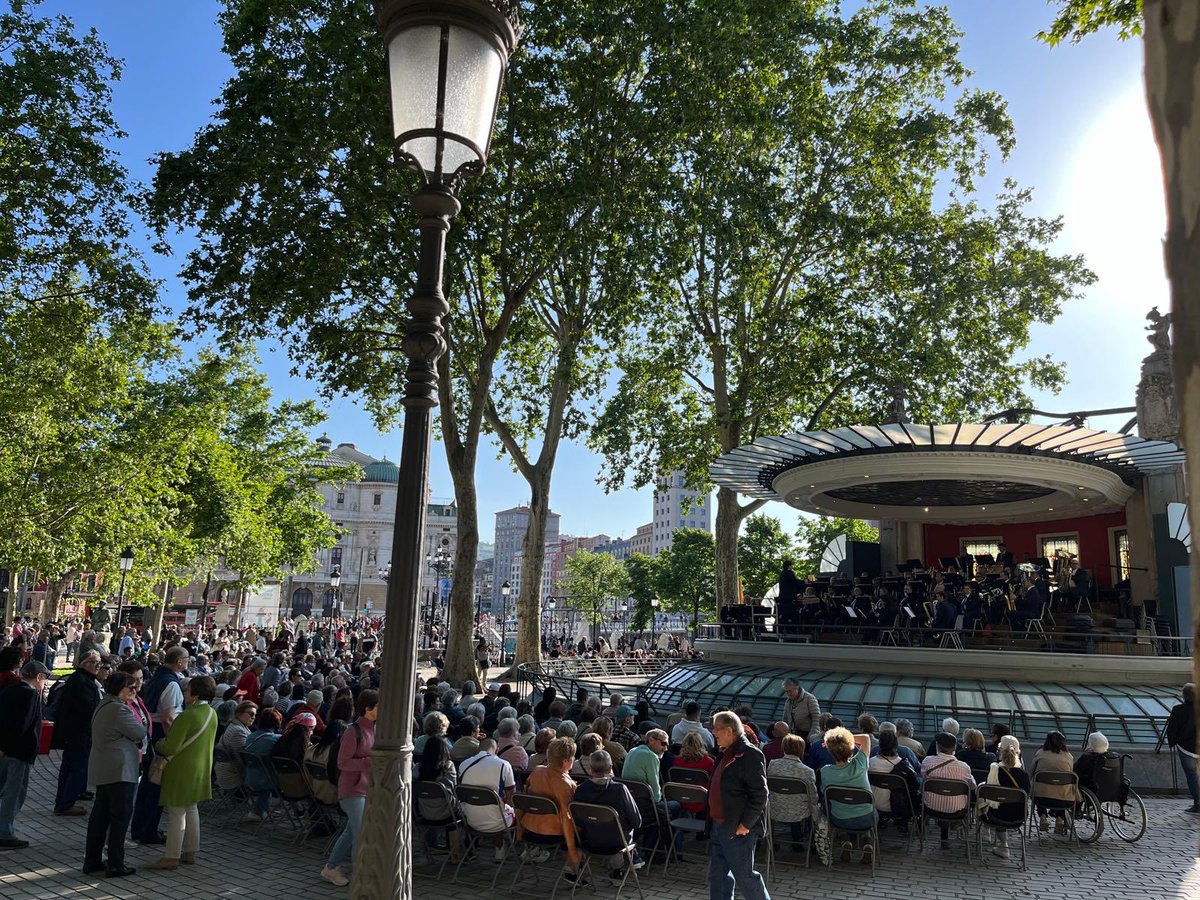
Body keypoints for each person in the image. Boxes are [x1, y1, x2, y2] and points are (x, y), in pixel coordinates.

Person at [147, 675, 218, 870]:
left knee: (176, 812)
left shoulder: (188, 715)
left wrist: (159, 743)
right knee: (191, 809)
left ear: (195, 694)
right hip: (200, 767)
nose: (185, 693)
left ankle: (171, 856)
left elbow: (170, 746)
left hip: (181, 768)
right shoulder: (211, 713)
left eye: (188, 690)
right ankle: (189, 852)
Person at [83, 671, 146, 877]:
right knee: (120, 817)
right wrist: (142, 725)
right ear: (121, 689)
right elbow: (139, 732)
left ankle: (92, 860)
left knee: (100, 817)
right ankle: (115, 863)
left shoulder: (104, 704)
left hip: (104, 768)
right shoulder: (120, 710)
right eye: (131, 687)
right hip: (119, 770)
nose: (134, 691)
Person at [130, 645, 190, 845]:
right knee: (155, 785)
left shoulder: (156, 678)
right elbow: (168, 718)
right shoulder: (171, 684)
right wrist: (172, 743)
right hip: (159, 736)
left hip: (151, 732)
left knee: (147, 784)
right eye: (186, 659)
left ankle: (140, 828)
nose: (188, 662)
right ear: (179, 661)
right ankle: (148, 830)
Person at [707, 711, 769, 900]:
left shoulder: (749, 754)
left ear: (728, 730)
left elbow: (760, 794)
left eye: (716, 729)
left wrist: (746, 824)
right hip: (719, 824)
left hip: (737, 828)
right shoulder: (725, 752)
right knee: (717, 877)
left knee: (745, 878)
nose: (713, 733)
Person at [321, 689, 378, 886]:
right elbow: (342, 763)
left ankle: (331, 867)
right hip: (351, 790)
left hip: (364, 788)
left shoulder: (374, 729)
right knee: (360, 832)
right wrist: (368, 762)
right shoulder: (352, 731)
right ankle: (360, 876)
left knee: (352, 831)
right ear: (368, 709)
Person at [0, 660, 50, 849]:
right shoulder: (30, 695)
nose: (45, 683)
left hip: (7, 750)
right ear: (38, 677)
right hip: (19, 752)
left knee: (5, 788)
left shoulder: (10, 690)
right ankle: (4, 832)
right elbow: (21, 726)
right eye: (45, 678)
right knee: (15, 793)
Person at [51, 649, 102, 816]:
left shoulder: (82, 679)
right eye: (95, 663)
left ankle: (65, 800)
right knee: (75, 768)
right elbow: (87, 708)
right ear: (84, 663)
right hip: (78, 733)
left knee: (71, 767)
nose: (98, 666)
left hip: (76, 733)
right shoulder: (82, 681)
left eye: (99, 663)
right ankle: (66, 803)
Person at [518, 737, 581, 874]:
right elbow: (566, 819)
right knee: (584, 830)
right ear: (566, 761)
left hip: (529, 830)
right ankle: (572, 870)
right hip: (552, 834)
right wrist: (572, 851)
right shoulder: (565, 785)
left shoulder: (536, 771)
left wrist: (519, 829)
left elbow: (523, 800)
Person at [820, 726, 877, 864]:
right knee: (866, 810)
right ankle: (867, 842)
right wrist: (843, 738)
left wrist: (833, 742)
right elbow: (866, 738)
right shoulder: (861, 764)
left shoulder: (825, 771)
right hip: (866, 818)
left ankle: (846, 840)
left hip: (840, 819)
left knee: (833, 809)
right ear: (850, 747)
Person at [919, 732, 976, 849]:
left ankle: (940, 836)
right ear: (955, 747)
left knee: (939, 795)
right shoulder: (964, 767)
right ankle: (952, 830)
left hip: (931, 807)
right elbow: (973, 787)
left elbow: (923, 777)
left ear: (937, 746)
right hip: (957, 810)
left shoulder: (927, 761)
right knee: (950, 798)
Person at [980, 735, 1031, 860]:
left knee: (983, 792)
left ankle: (995, 838)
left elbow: (989, 796)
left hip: (996, 816)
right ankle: (1003, 845)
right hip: (1019, 816)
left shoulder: (995, 770)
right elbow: (1027, 795)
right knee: (1006, 805)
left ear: (999, 751)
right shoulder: (1023, 774)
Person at [766, 733, 815, 850]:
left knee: (789, 800)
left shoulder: (772, 765)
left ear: (784, 748)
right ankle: (800, 842)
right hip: (799, 812)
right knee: (803, 805)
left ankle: (771, 841)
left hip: (774, 808)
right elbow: (813, 797)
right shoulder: (807, 771)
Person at [868, 729, 918, 833]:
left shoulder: (870, 763)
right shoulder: (904, 765)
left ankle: (882, 819)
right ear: (896, 744)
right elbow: (915, 785)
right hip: (898, 806)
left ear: (880, 744)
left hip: (874, 804)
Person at [1031, 731, 1079, 835]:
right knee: (1061, 791)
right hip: (1065, 801)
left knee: (1042, 788)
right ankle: (1059, 819)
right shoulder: (1068, 756)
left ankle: (1043, 817)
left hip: (1041, 799)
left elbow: (1031, 772)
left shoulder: (1040, 753)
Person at [1167, 683, 1198, 814]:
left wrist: (1172, 742)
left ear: (1185, 696)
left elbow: (1172, 729)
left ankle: (1198, 803)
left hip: (1186, 749)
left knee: (1192, 776)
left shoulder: (1178, 709)